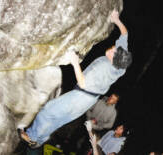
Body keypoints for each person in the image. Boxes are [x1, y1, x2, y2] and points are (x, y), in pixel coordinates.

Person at [19, 9, 132, 148]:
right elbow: (125, 35)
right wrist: (116, 20)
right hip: (89, 100)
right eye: (116, 48)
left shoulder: (103, 68)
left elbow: (82, 82)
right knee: (58, 119)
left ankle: (32, 136)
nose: (112, 49)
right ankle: (38, 141)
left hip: (81, 96)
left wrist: (74, 62)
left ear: (114, 61)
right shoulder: (121, 66)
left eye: (114, 52)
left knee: (48, 111)